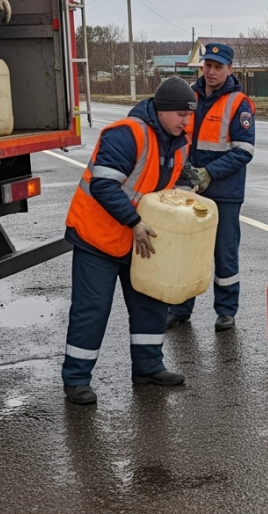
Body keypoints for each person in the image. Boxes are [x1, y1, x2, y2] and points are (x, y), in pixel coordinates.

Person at [60, 77, 197, 405]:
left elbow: (181, 175)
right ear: (162, 111)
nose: (186, 121)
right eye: (181, 114)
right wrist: (135, 222)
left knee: (151, 303)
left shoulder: (177, 140)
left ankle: (148, 368)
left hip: (139, 238)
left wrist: (188, 189)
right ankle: (76, 380)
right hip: (98, 237)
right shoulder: (126, 134)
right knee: (92, 309)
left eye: (190, 115)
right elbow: (103, 186)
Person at [166, 43, 255, 332]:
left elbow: (244, 151)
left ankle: (226, 311)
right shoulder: (189, 96)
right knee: (186, 250)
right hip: (188, 189)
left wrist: (209, 173)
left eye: (218, 66)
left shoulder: (239, 103)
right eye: (208, 65)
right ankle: (181, 308)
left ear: (230, 69)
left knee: (224, 252)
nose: (212, 71)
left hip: (225, 192)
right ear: (201, 67)